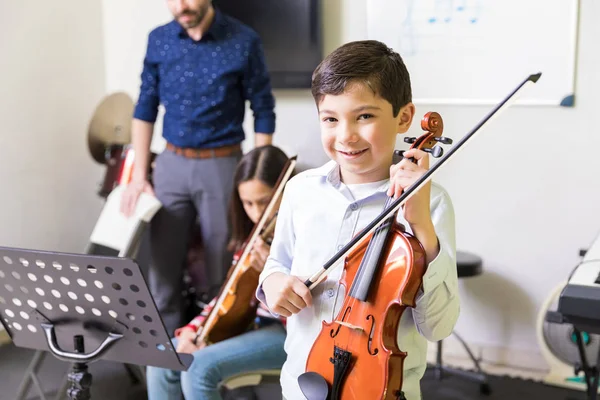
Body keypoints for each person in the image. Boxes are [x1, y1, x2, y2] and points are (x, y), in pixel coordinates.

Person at [257, 40, 459, 400]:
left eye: (364, 116)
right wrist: (273, 283)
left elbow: (439, 326)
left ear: (404, 117)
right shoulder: (300, 190)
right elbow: (278, 262)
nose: (346, 136)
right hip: (302, 384)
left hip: (381, 389)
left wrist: (422, 228)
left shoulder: (432, 203)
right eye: (331, 119)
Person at [120, 0, 276, 334]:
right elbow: (145, 107)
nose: (181, 6)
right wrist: (137, 176)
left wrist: (261, 176)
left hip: (223, 166)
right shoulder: (158, 39)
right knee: (163, 275)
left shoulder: (243, 39)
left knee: (222, 275)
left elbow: (263, 108)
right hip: (171, 166)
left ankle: (217, 371)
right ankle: (167, 374)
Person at [146, 145, 290, 400]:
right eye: (248, 203)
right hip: (251, 326)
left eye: (264, 202)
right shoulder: (251, 238)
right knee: (162, 357)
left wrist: (273, 271)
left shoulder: (302, 232)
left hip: (287, 332)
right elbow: (227, 295)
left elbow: (310, 310)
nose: (257, 214)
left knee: (198, 368)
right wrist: (192, 330)